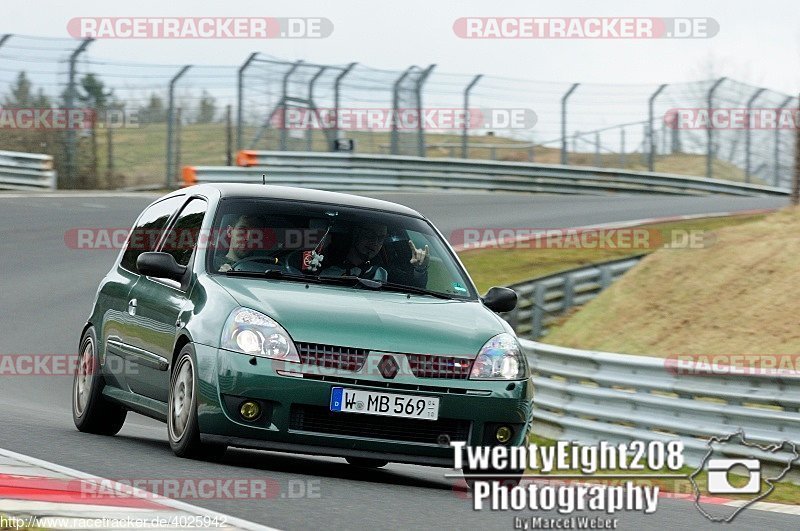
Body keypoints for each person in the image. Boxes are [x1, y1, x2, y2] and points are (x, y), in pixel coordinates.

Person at [318, 224, 430, 288]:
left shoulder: (385, 274)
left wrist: (420, 269)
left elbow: (416, 287)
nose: (375, 243)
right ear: (356, 234)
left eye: (381, 238)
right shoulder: (325, 271)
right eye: (370, 236)